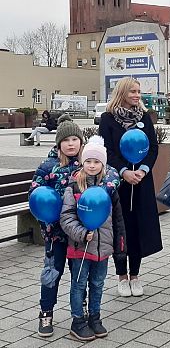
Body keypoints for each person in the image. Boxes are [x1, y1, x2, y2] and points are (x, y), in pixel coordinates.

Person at [99, 77, 162, 298]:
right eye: (132, 91)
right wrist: (124, 171)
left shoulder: (144, 117)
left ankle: (135, 274)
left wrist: (143, 170)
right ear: (122, 93)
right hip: (118, 183)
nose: (137, 95)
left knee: (138, 228)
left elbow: (153, 148)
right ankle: (121, 276)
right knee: (121, 228)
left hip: (142, 182)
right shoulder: (108, 119)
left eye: (138, 92)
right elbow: (106, 150)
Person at [60, 136, 125, 341]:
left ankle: (95, 318)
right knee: (79, 284)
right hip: (80, 246)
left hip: (102, 248)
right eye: (88, 161)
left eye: (97, 162)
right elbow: (66, 216)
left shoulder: (109, 189)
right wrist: (81, 233)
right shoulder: (74, 187)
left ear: (103, 164)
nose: (92, 165)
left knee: (97, 283)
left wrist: (119, 246)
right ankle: (77, 320)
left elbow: (117, 219)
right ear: (82, 162)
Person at [28, 114, 84, 337]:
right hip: (55, 234)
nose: (71, 144)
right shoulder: (48, 167)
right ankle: (45, 313)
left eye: (75, 139)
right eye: (66, 140)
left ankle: (80, 313)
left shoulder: (86, 165)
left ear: (81, 142)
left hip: (80, 233)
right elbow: (35, 194)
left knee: (80, 276)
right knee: (52, 273)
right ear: (59, 143)